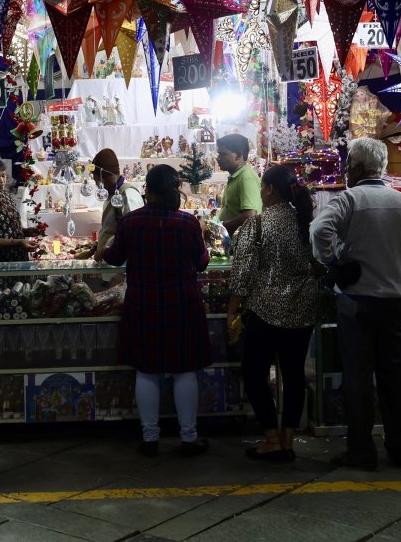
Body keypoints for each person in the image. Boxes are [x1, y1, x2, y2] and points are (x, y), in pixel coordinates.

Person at [309, 137, 401, 470]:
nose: (346, 171)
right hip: (393, 303)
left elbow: (319, 229)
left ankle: (361, 452)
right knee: (395, 379)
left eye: (348, 165)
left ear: (358, 168)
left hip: (357, 303)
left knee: (358, 379)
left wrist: (335, 262)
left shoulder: (350, 199)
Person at [100, 165, 212, 458]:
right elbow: (202, 263)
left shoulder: (132, 223)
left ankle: (150, 439)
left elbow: (114, 258)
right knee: (184, 370)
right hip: (182, 303)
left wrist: (102, 249)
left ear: (148, 190)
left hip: (143, 302)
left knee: (146, 370)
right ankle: (189, 438)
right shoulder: (187, 223)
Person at [227, 165, 318, 462]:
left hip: (264, 310)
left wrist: (231, 312)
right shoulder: (306, 222)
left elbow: (242, 275)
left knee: (254, 373)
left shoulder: (258, 225)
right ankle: (288, 439)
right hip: (302, 310)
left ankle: (271, 438)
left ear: (268, 189)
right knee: (293, 375)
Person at [89, 149, 143, 255]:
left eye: (97, 182)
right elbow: (113, 230)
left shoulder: (128, 195)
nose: (97, 186)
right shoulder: (112, 193)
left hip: (121, 267)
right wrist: (97, 246)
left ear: (105, 178)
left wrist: (106, 251)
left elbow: (134, 236)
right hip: (110, 262)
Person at [216, 134, 261, 235]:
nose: (218, 158)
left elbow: (249, 216)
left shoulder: (246, 178)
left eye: (223, 154)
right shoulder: (237, 176)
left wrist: (223, 227)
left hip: (242, 245)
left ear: (239, 155)